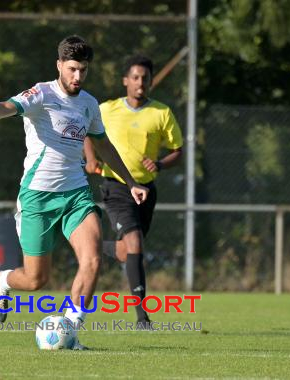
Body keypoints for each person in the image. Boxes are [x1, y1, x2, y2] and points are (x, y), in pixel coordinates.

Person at [0, 35, 149, 349]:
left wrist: (131, 182)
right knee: (36, 281)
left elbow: (104, 146)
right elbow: (4, 108)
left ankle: (72, 331)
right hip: (37, 197)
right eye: (73, 69)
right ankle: (3, 281)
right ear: (59, 66)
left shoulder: (89, 104)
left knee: (92, 261)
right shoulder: (41, 93)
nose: (78, 76)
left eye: (84, 70)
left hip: (76, 194)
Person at [83, 54, 183, 329]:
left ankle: (90, 246)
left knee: (130, 251)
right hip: (115, 186)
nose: (140, 83)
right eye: (135, 77)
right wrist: (91, 160)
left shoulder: (161, 113)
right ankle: (142, 318)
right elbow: (88, 134)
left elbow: (178, 151)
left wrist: (161, 163)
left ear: (151, 82)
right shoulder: (107, 109)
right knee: (135, 242)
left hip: (146, 190)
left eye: (145, 78)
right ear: (125, 81)